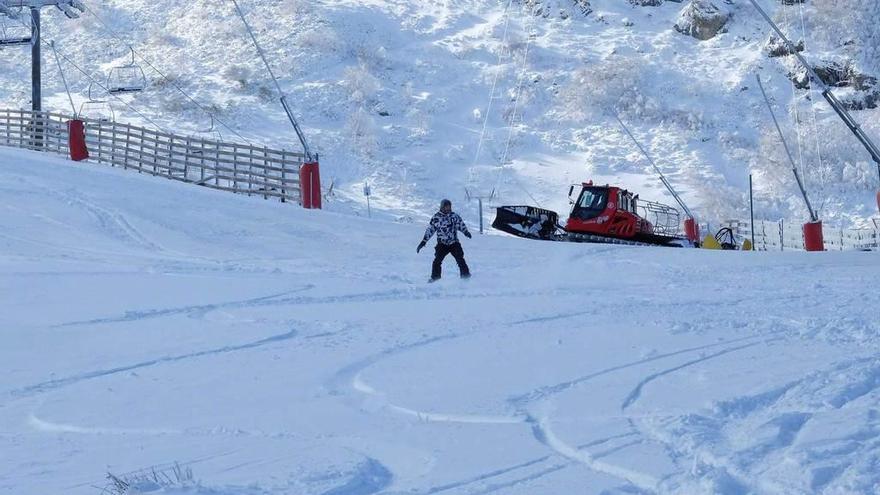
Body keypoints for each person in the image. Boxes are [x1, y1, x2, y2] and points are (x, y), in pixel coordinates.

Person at [417, 199, 472, 282]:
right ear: (442, 207)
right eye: (446, 207)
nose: (448, 209)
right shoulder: (436, 217)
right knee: (437, 261)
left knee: (460, 259)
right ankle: (435, 278)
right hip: (442, 244)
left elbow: (460, 224)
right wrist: (424, 241)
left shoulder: (454, 216)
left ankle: (466, 277)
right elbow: (430, 230)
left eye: (449, 207)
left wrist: (465, 232)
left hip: (454, 243)